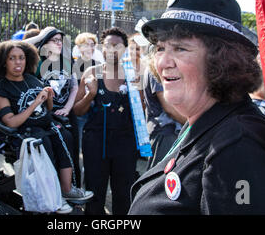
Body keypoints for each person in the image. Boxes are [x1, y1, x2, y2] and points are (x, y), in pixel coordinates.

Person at [128, 0, 265, 214]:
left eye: (180, 48)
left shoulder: (238, 146)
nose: (163, 62)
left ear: (222, 61)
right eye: (160, 48)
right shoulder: (205, 120)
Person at [0, 40, 93, 214]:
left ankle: (66, 190)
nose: (18, 62)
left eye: (21, 58)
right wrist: (35, 102)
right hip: (25, 133)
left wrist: (48, 97)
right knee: (44, 142)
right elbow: (11, 122)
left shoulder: (32, 79)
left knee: (65, 135)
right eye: (12, 58)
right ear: (3, 62)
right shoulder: (2, 89)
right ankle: (53, 197)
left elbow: (48, 109)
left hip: (47, 125)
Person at [73, 27, 138, 215]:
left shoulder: (133, 75)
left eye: (116, 46)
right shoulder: (92, 73)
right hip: (95, 143)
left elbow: (141, 112)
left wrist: (136, 92)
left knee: (123, 194)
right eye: (107, 45)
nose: (111, 49)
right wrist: (90, 94)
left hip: (125, 143)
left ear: (125, 49)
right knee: (94, 193)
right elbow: (77, 110)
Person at [24, 27, 82, 187]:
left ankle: (72, 189)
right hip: (45, 116)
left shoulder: (68, 61)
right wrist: (40, 36)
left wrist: (67, 109)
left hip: (66, 114)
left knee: (72, 152)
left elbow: (74, 88)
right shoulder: (37, 62)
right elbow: (14, 46)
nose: (59, 43)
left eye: (61, 40)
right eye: (54, 40)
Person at [143, 64, 186, 169]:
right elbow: (170, 109)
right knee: (160, 177)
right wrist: (193, 123)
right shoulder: (155, 69)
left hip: (176, 131)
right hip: (164, 133)